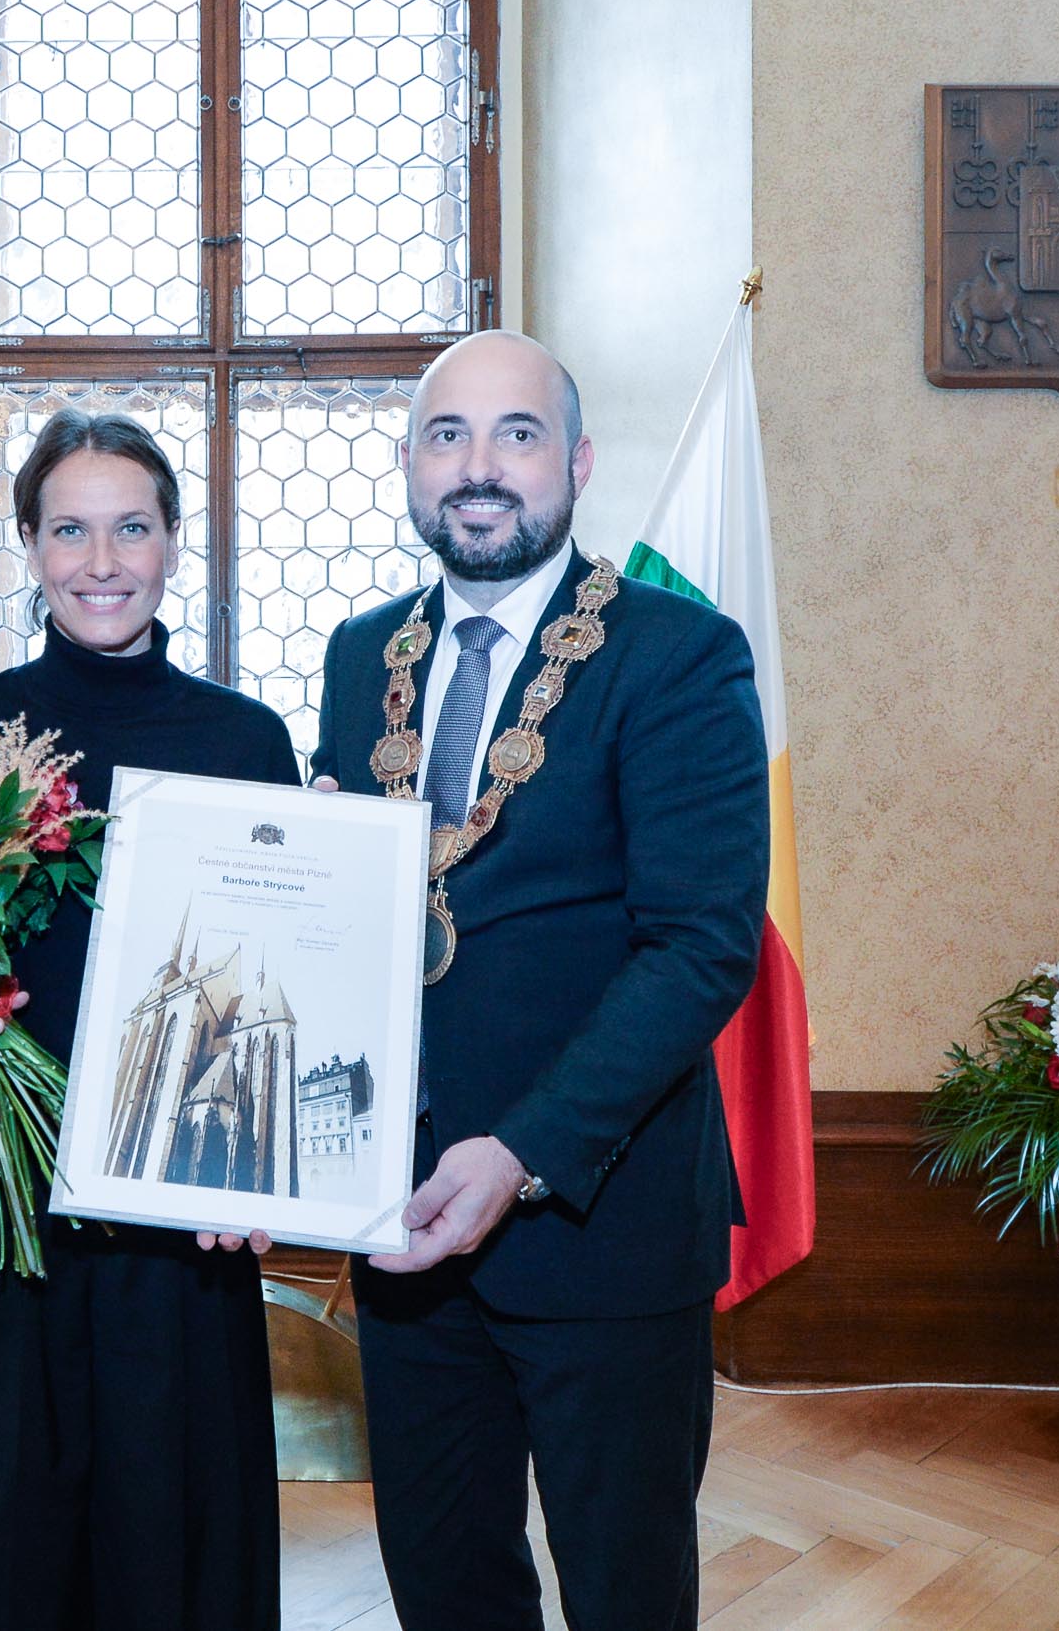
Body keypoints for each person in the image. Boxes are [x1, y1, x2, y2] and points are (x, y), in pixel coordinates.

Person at [306, 330, 769, 1629]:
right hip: (406, 1223)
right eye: (448, 434)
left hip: (598, 1223)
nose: (480, 467)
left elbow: (701, 945)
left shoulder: (678, 654)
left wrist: (522, 1150)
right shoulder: (360, 655)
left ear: (576, 461)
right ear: (409, 464)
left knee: (625, 1591)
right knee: (445, 1584)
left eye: (515, 434)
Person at [0, 408, 300, 1631]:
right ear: (28, 544)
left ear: (175, 543)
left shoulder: (243, 738)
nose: (101, 559)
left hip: (177, 1204)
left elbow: (275, 987)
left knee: (169, 1521)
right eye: (69, 528)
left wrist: (268, 1172)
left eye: (131, 526)